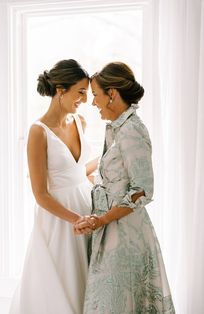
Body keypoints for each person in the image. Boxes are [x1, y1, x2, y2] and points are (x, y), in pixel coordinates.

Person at [74, 62, 175, 313]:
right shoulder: (114, 129)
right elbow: (110, 179)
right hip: (110, 231)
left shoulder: (132, 130)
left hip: (126, 235)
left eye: (95, 95)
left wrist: (102, 219)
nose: (93, 102)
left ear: (112, 94)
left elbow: (142, 190)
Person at [9, 59, 97, 314]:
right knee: (64, 282)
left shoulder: (80, 122)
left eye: (87, 93)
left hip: (87, 206)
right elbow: (40, 194)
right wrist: (76, 220)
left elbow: (79, 171)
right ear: (60, 89)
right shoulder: (38, 132)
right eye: (80, 91)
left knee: (89, 277)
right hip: (60, 217)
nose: (84, 99)